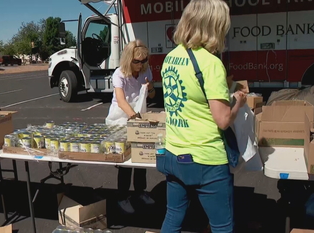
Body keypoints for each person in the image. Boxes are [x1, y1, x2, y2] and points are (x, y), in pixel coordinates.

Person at [157, 0, 247, 232]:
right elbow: (223, 120)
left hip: (174, 153)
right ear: (214, 26)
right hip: (206, 159)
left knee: (173, 216)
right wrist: (238, 102)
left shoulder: (170, 58)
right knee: (222, 226)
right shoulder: (212, 64)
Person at [105, 40, 156, 214]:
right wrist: (134, 119)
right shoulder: (119, 74)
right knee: (126, 162)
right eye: (137, 61)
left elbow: (153, 94)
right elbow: (121, 100)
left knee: (141, 158)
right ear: (128, 59)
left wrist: (150, 88)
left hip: (138, 117)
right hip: (121, 119)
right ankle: (122, 197)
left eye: (144, 61)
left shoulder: (145, 70)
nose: (140, 65)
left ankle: (140, 191)